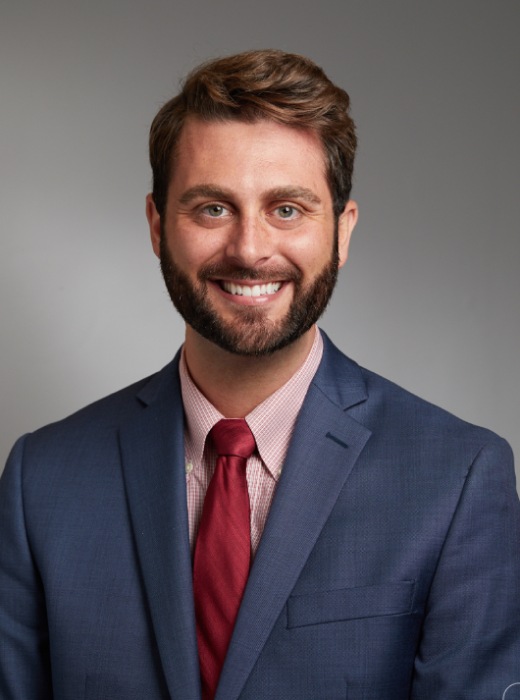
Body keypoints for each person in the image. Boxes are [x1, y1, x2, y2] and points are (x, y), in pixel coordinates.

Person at [1, 49, 519, 700]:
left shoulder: (460, 479)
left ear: (343, 232)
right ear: (158, 226)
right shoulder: (38, 484)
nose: (249, 250)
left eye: (287, 209)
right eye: (212, 208)